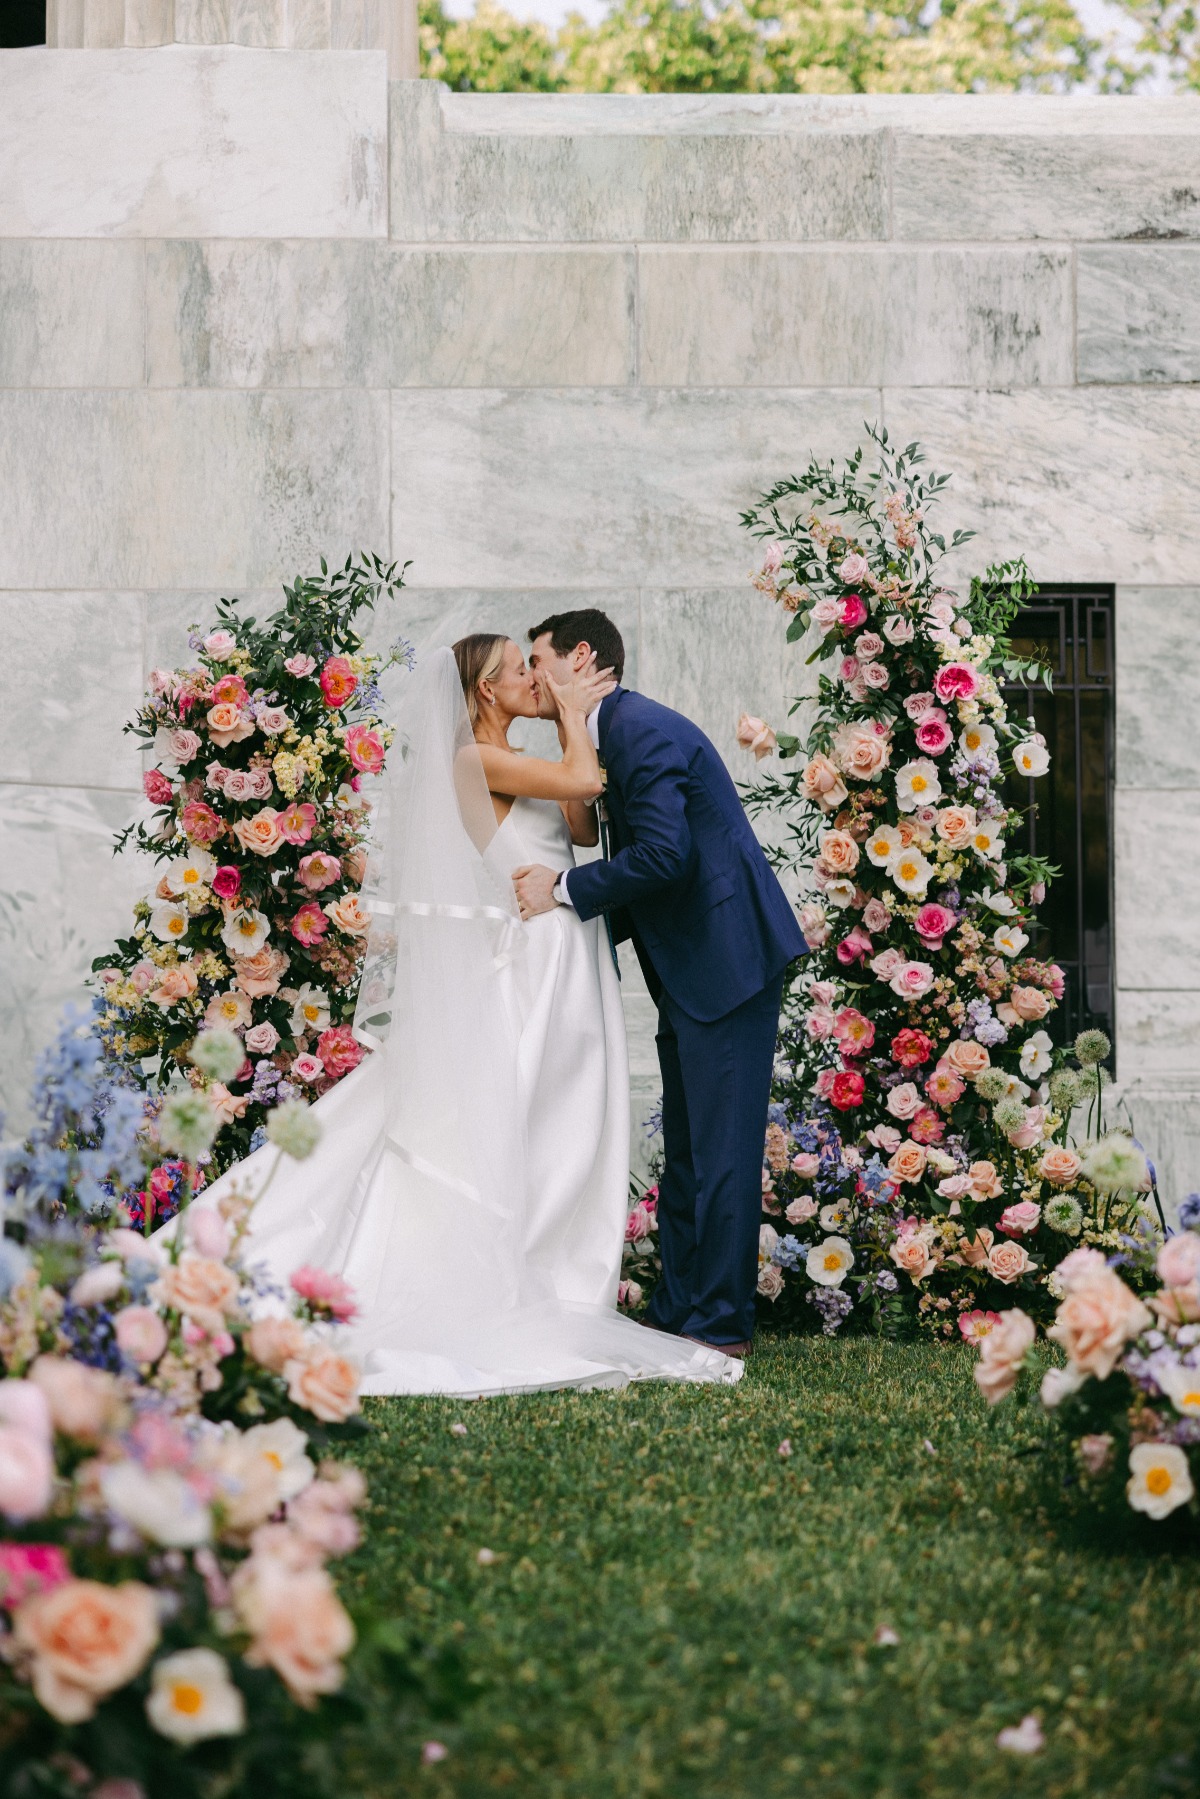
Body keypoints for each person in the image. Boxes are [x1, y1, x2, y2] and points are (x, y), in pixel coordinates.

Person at [168, 639, 741, 1396]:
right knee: (533, 1114)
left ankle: (565, 1267)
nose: (535, 677)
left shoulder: (522, 756)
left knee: (570, 1119)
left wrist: (567, 727)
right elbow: (585, 775)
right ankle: (530, 1270)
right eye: (520, 669)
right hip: (533, 960)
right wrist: (575, 712)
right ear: (485, 692)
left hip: (569, 952)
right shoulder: (475, 759)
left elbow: (576, 822)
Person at [516, 609, 807, 1358]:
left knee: (723, 1151)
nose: (531, 674)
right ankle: (681, 1308)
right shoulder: (611, 731)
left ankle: (720, 1323)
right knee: (687, 1150)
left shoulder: (641, 730)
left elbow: (664, 857)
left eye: (536, 658)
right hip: (693, 967)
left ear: (580, 656)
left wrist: (563, 892)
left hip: (729, 963)